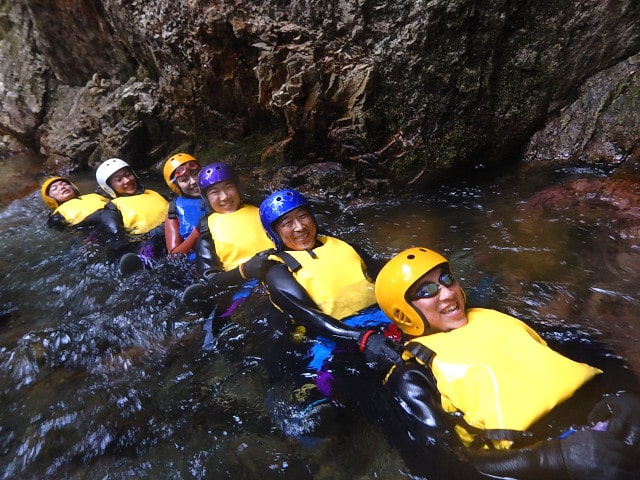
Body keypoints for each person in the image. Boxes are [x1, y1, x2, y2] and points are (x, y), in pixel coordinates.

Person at [259, 189, 395, 400]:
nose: (299, 227)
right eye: (287, 223)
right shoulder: (278, 273)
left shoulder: (344, 246)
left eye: (303, 216)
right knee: (327, 396)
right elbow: (312, 318)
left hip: (378, 317)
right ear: (273, 234)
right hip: (327, 337)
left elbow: (386, 277)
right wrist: (363, 338)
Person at [182, 162, 275, 310]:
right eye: (214, 192)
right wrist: (245, 270)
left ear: (238, 188)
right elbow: (210, 279)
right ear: (206, 198)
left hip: (283, 272)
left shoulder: (265, 212)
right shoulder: (207, 235)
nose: (224, 197)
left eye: (229, 187)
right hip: (247, 288)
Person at [95, 158, 169, 273]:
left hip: (174, 230)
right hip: (150, 240)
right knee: (153, 244)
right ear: (109, 187)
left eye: (128, 174)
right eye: (119, 180)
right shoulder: (112, 209)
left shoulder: (153, 193)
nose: (127, 180)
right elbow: (118, 238)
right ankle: (143, 262)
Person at [162, 152, 206, 260]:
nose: (193, 181)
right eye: (184, 180)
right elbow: (174, 255)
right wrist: (197, 232)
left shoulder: (221, 195)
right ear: (176, 186)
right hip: (197, 264)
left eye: (196, 174)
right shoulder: (173, 212)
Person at [40, 176, 109, 230]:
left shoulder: (95, 195)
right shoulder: (57, 217)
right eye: (55, 188)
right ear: (49, 199)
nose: (62, 187)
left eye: (64, 184)